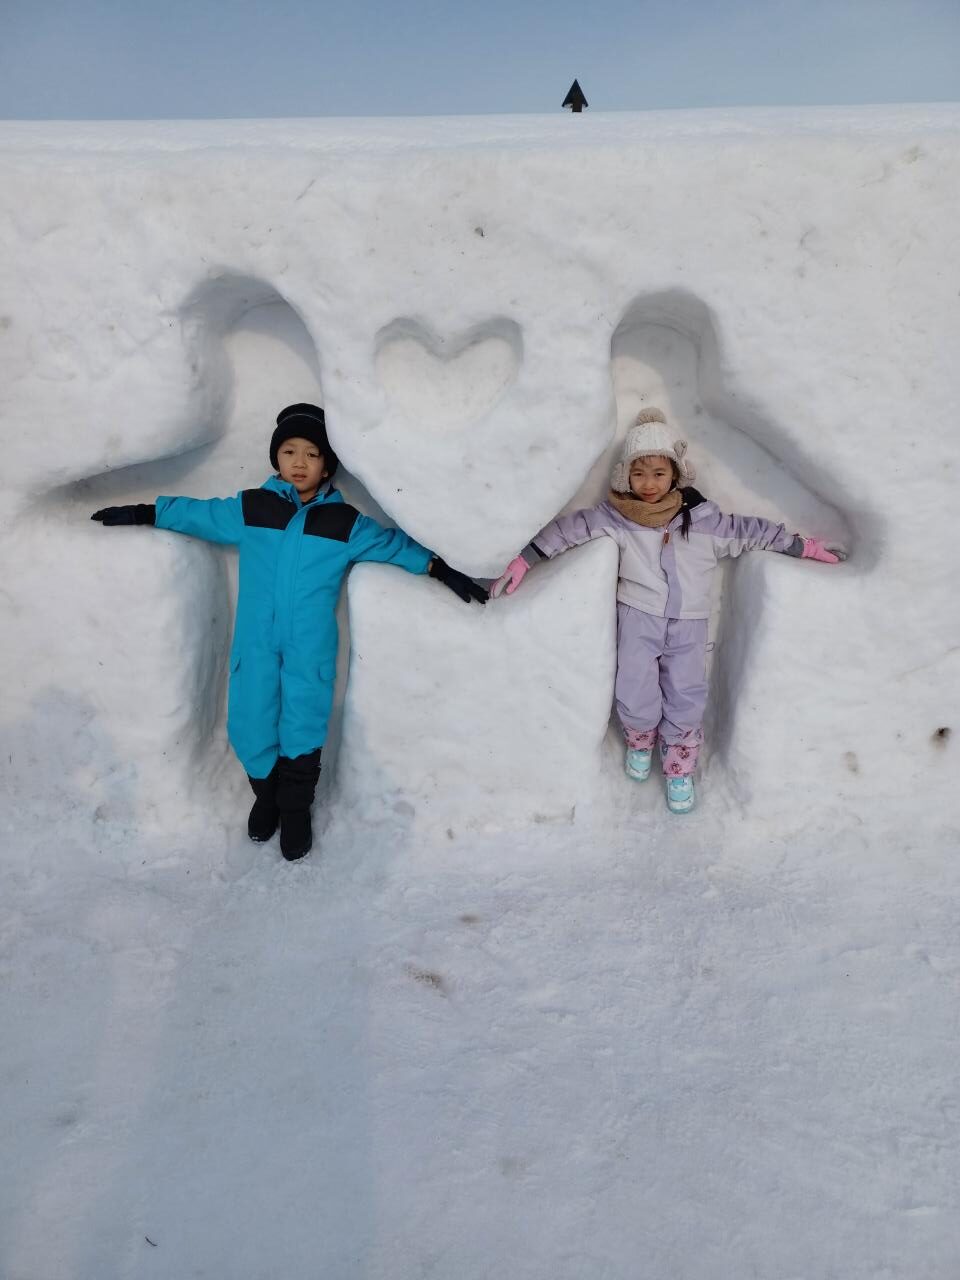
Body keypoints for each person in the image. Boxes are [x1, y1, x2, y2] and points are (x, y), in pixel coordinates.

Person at [92, 403, 487, 859]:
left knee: (303, 724)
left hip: (309, 648)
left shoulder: (344, 524)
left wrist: (438, 568)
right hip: (255, 644)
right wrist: (146, 511)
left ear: (327, 466)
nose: (299, 462)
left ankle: (296, 810)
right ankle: (266, 796)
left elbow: (391, 544)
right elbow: (199, 514)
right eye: (289, 451)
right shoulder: (252, 508)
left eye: (312, 454)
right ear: (276, 458)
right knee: (248, 720)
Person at [492, 408, 845, 814]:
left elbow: (753, 531)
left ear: (675, 475)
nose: (649, 483)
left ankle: (679, 764)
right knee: (635, 685)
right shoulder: (618, 518)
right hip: (639, 617)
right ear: (626, 476)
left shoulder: (705, 521)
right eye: (639, 473)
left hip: (689, 623)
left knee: (686, 691)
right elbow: (571, 529)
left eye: (659, 473)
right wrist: (527, 558)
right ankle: (640, 739)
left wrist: (804, 547)